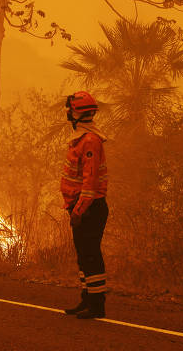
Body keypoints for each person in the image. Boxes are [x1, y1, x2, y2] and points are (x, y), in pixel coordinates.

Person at [60, 91, 109, 319]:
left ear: (78, 113)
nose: (68, 114)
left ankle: (97, 305)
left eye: (71, 110)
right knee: (83, 255)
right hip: (80, 207)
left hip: (89, 208)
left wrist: (78, 211)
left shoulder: (90, 141)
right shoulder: (82, 138)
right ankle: (86, 299)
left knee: (90, 255)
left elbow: (90, 182)